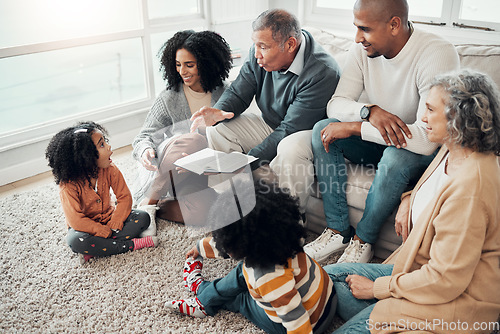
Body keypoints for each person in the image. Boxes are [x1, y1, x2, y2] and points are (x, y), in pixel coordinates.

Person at [326, 69, 500, 333]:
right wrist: (409, 197)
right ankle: (244, 288)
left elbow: (444, 280)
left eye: (430, 110)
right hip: (412, 273)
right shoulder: (451, 149)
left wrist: (377, 289)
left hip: (452, 306)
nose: (422, 118)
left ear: (459, 119)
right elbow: (434, 190)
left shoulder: (471, 188)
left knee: (339, 316)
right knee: (325, 280)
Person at [301, 0, 461, 264]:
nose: (357, 38)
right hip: (383, 140)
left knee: (395, 157)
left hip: (419, 149)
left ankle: (363, 240)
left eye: (364, 29)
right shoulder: (362, 50)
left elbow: (425, 139)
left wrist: (356, 126)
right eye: (356, 28)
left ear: (394, 25)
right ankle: (338, 230)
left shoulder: (436, 53)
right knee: (323, 130)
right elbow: (336, 104)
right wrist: (369, 112)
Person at [165, 181, 336, 334]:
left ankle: (203, 296)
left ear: (240, 244)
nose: (222, 242)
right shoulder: (284, 238)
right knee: (243, 272)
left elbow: (296, 321)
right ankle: (204, 294)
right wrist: (201, 247)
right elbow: (231, 241)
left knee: (242, 298)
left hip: (309, 322)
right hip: (328, 297)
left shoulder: (268, 278)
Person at [190, 9, 341, 177]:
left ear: (290, 44)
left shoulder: (322, 72)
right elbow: (239, 91)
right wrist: (218, 112)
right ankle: (228, 196)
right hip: (272, 124)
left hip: (306, 134)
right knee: (218, 129)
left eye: (263, 47)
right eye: (256, 45)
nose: (256, 54)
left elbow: (290, 129)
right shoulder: (259, 54)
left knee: (289, 148)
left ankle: (287, 203)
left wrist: (248, 161)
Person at [132, 30, 232, 229]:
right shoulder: (169, 97)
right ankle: (151, 198)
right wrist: (145, 150)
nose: (182, 71)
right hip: (170, 161)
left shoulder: (227, 94)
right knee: (194, 140)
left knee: (202, 212)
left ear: (207, 64)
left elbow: (231, 139)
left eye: (189, 65)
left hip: (198, 171)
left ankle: (149, 207)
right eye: (178, 65)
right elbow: (143, 137)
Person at [45, 121, 158, 264]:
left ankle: (96, 249)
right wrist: (97, 229)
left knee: (143, 218)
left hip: (110, 219)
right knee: (75, 241)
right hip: (85, 229)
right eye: (102, 145)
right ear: (85, 158)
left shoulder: (110, 169)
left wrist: (116, 220)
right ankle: (131, 245)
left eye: (105, 141)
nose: (109, 146)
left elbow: (124, 198)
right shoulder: (67, 187)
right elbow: (76, 220)